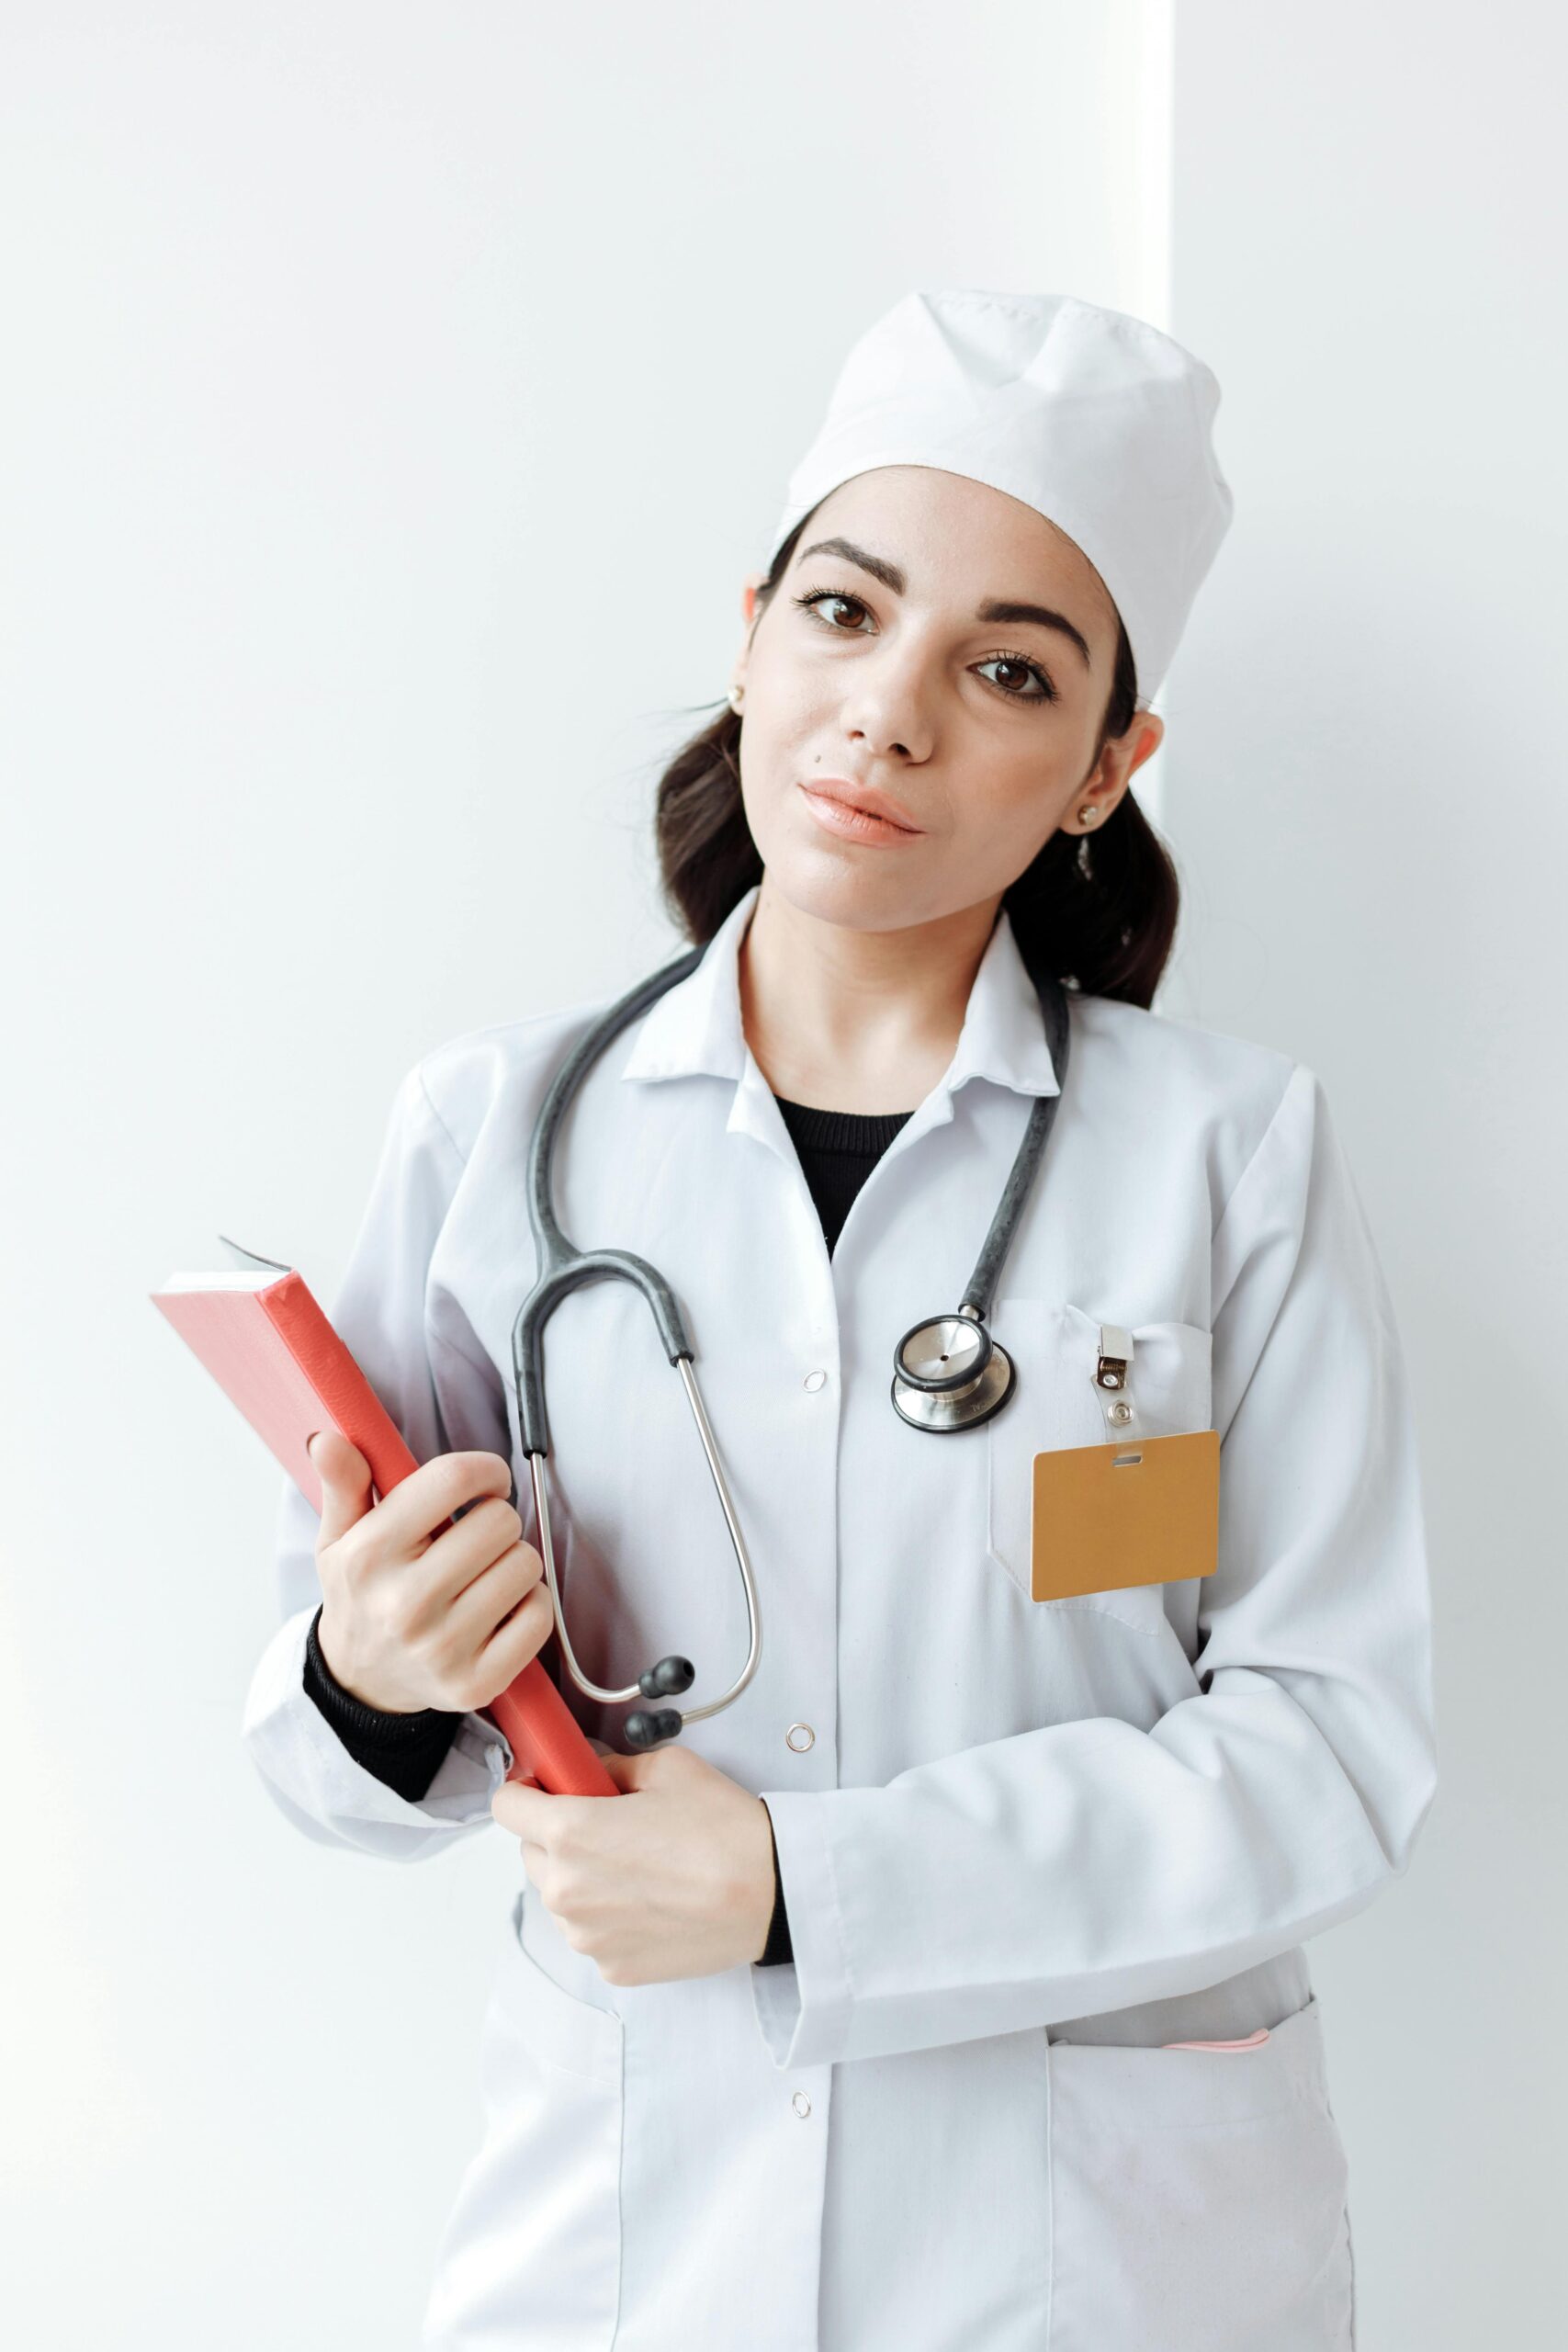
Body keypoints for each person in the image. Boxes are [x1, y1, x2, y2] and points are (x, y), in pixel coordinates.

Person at [242, 289, 1438, 2351]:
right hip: (631, 2229)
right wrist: (368, 1667)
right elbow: (336, 1746)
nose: (885, 712)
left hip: (1105, 2252)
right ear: (747, 632)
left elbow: (1331, 1740)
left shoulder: (1227, 1152)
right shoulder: (494, 1130)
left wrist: (810, 1884)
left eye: (1003, 669)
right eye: (840, 611)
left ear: (1101, 767)